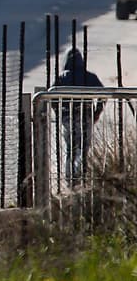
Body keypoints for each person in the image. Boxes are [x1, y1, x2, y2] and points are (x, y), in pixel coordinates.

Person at [54, 48, 104, 183]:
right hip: (85, 115)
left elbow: (52, 96)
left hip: (67, 116)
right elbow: (103, 95)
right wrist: (96, 113)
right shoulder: (89, 77)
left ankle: (70, 178)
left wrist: (59, 112)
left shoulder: (62, 77)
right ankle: (81, 175)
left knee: (71, 148)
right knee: (83, 148)